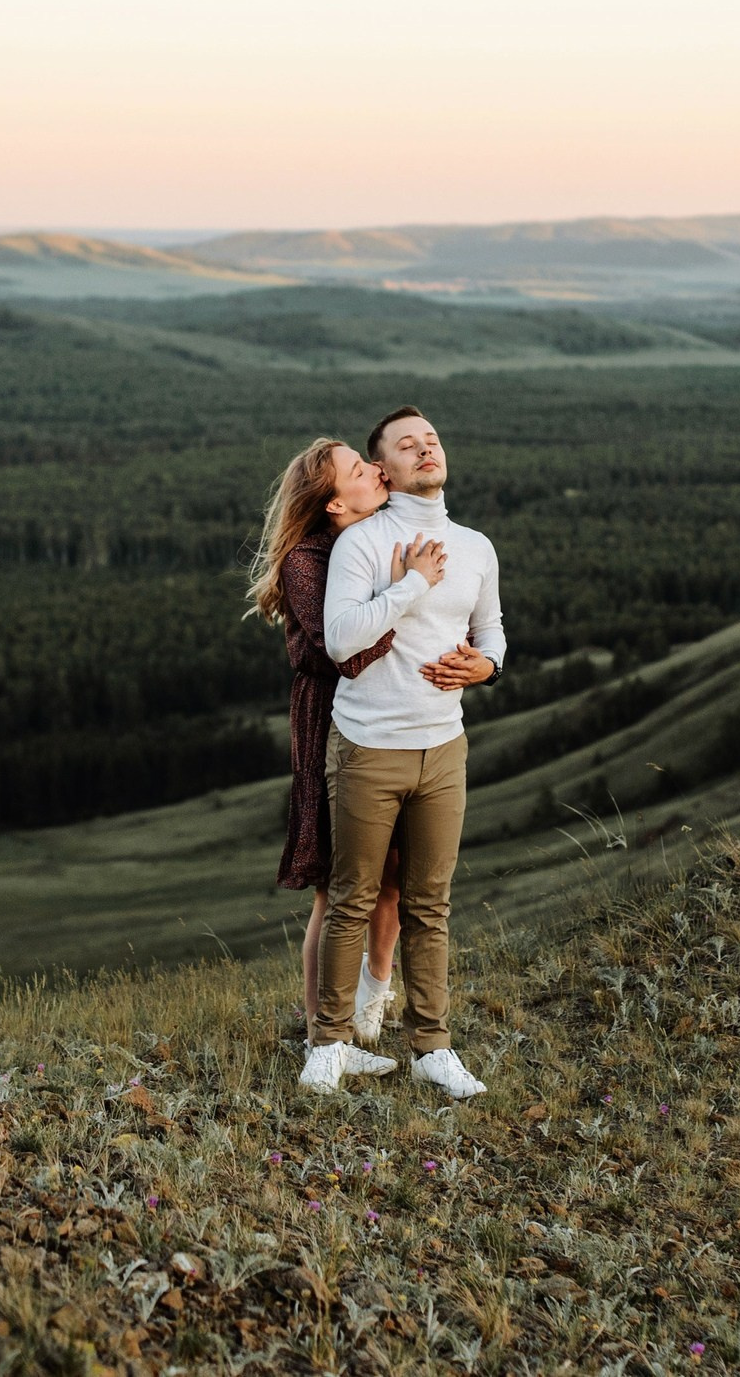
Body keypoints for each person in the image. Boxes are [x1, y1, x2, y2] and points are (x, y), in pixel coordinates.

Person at [302, 406, 504, 1097]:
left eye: (433, 439)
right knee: (353, 898)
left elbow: (492, 630)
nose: (427, 449)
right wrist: (412, 582)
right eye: (407, 444)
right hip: (367, 746)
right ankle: (327, 1043)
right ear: (382, 468)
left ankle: (432, 1047)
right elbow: (340, 638)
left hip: (444, 746)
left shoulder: (476, 546)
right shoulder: (362, 542)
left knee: (430, 903)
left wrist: (489, 667)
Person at [243, 437, 418, 1047]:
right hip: (330, 720)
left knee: (392, 876)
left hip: (387, 714)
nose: (375, 470)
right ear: (335, 503)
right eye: (357, 469)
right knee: (338, 887)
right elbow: (336, 652)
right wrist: (405, 597)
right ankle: (328, 1033)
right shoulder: (306, 560)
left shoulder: (369, 535)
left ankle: (369, 1012)